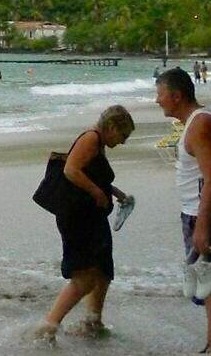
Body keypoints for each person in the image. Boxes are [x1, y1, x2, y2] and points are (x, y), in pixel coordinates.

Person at [156, 67, 211, 356]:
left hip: (208, 215)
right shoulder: (204, 118)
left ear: (177, 96)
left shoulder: (200, 125)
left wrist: (202, 224)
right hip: (205, 211)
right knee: (207, 283)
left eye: (161, 95)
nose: (158, 101)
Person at [35, 106, 138, 340]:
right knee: (83, 277)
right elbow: (71, 170)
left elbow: (91, 174)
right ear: (111, 127)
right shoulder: (91, 138)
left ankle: (92, 321)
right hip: (77, 217)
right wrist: (96, 192)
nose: (122, 142)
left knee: (103, 271)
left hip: (92, 216)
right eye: (123, 136)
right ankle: (48, 327)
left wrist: (114, 192)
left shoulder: (98, 142)